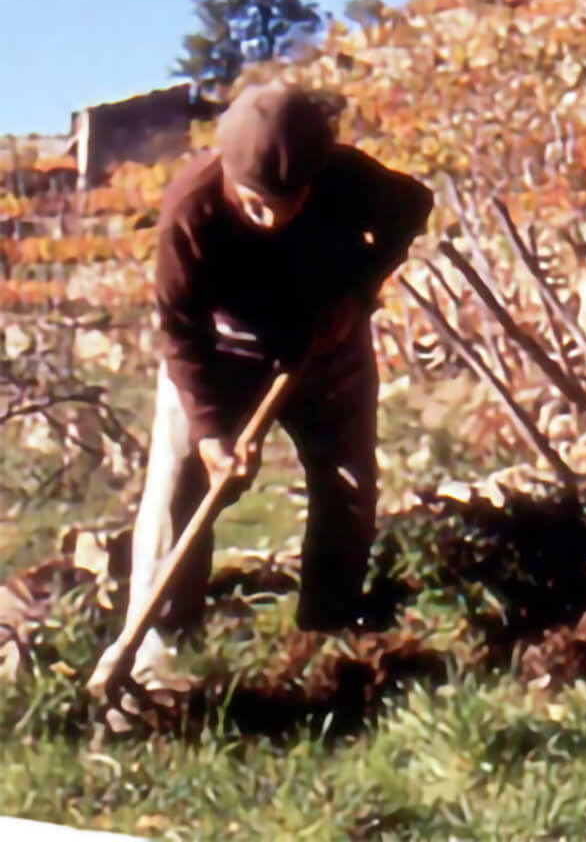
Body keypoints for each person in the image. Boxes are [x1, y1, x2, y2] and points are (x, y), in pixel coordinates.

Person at [93, 81, 434, 687]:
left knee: (348, 485)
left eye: (292, 199)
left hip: (325, 352)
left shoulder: (348, 177)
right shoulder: (190, 210)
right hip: (218, 356)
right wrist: (209, 435)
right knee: (179, 485)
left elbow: (413, 205)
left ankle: (328, 630)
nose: (274, 216)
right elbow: (178, 335)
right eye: (256, 203)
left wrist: (358, 292)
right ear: (228, 173)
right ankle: (159, 647)